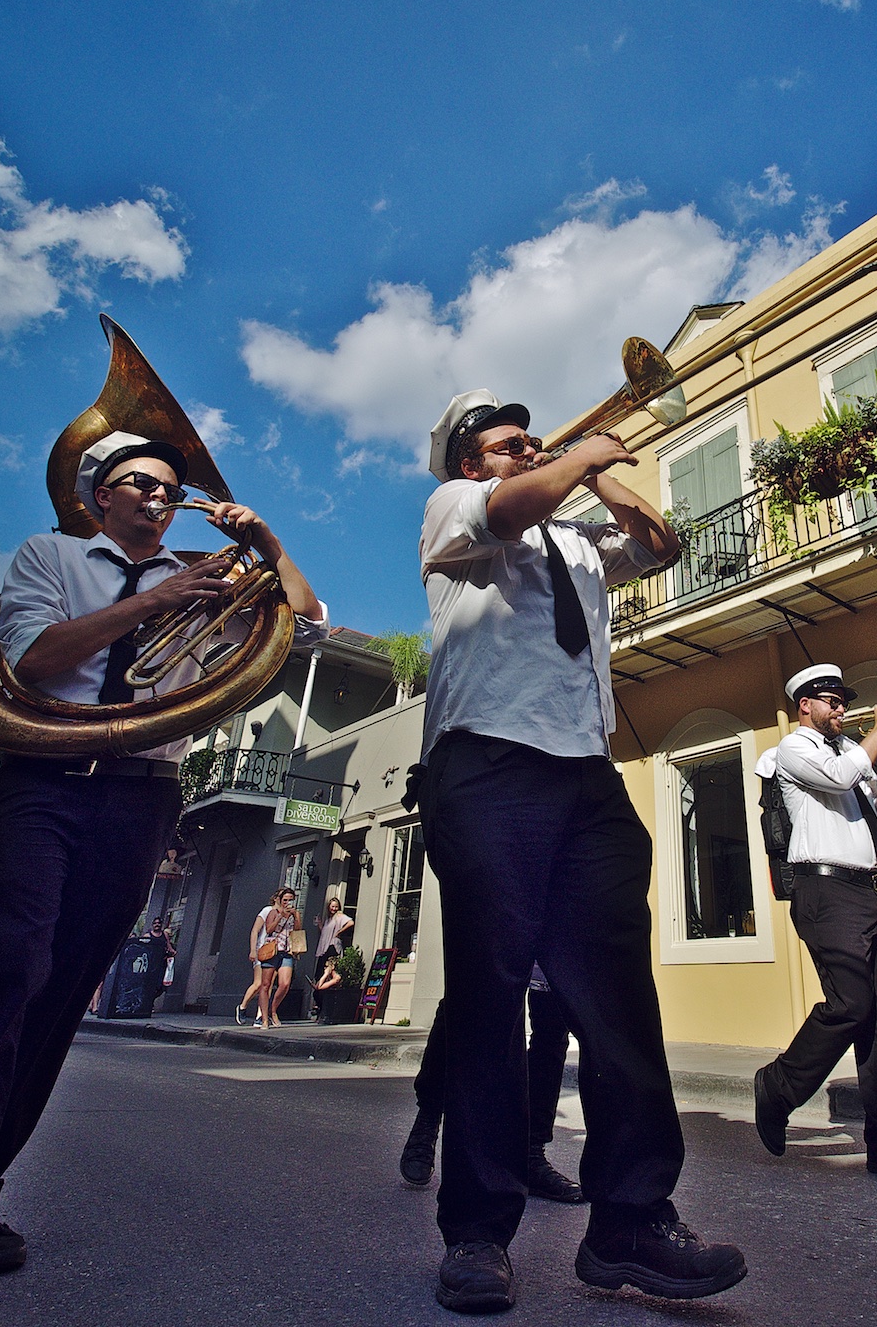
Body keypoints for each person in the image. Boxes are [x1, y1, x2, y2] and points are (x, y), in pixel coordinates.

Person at [0, 429, 325, 1327]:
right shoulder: (52, 556)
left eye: (170, 486)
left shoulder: (215, 575)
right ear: (98, 497)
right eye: (139, 483)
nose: (159, 495)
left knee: (59, 998)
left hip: (143, 796)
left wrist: (265, 548)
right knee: (4, 981)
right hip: (41, 785)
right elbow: (34, 661)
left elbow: (304, 622)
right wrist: (160, 601)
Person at [416, 389, 744, 1313]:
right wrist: (561, 464)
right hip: (486, 762)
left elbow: (661, 544)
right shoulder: (459, 511)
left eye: (531, 438)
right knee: (489, 999)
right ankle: (478, 1233)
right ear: (470, 461)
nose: (526, 449)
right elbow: (517, 504)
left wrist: (602, 470)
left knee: (620, 1005)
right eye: (506, 443)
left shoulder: (574, 539)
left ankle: (630, 1224)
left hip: (584, 771)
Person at [752, 664, 877, 1183]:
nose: (841, 709)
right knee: (851, 1003)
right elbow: (841, 779)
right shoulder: (793, 750)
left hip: (870, 891)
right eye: (832, 701)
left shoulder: (850, 751)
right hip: (823, 890)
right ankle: (780, 1085)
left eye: (845, 702)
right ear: (806, 705)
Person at [399, 966, 584, 1205]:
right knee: (463, 1001)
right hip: (498, 928)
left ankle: (531, 1154)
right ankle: (428, 1117)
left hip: (556, 930)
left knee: (553, 1022)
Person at [255, 888, 300, 1029]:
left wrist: (295, 916)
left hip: (287, 950)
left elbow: (298, 932)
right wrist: (281, 916)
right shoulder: (273, 912)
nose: (287, 903)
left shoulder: (294, 914)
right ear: (280, 900)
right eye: (285, 900)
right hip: (272, 949)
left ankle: (273, 1010)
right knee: (265, 984)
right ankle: (264, 1019)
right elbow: (269, 929)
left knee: (285, 984)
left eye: (290, 900)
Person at [235, 894, 276, 1025]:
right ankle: (242, 1006)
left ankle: (260, 1015)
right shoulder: (267, 910)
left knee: (268, 985)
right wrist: (253, 949)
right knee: (259, 983)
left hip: (277, 952)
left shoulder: (285, 915)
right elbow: (255, 930)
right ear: (276, 899)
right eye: (284, 899)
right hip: (263, 950)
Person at [314, 895, 354, 981]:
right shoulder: (329, 919)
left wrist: (339, 932)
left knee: (329, 969)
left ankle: (325, 987)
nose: (334, 909)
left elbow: (351, 922)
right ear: (329, 907)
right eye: (332, 906)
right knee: (321, 969)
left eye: (336, 907)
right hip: (325, 946)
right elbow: (324, 932)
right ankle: (319, 987)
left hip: (332, 945)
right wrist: (320, 923)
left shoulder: (339, 916)